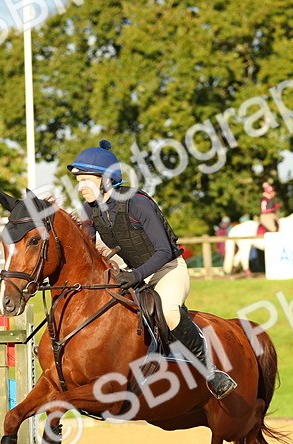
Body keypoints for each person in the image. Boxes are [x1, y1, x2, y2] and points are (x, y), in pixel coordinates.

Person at [67, 139, 236, 399]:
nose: (80, 188)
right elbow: (86, 245)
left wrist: (136, 275)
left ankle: (211, 372)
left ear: (106, 180)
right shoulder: (90, 210)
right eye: (78, 182)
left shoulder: (138, 204)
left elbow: (164, 251)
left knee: (168, 312)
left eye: (85, 181)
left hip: (167, 270)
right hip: (132, 272)